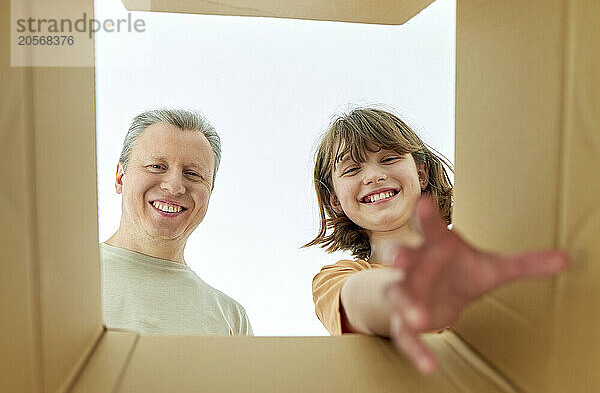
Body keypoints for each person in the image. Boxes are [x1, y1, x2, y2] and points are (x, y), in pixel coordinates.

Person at [305, 108, 567, 373]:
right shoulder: (337, 276)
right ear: (335, 201)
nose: (373, 176)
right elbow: (358, 300)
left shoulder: (479, 251)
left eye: (389, 158)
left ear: (421, 174)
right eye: (351, 169)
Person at [101, 108, 253, 336]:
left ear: (209, 190)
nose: (174, 186)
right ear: (120, 177)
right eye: (156, 166)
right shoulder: (61, 277)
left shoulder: (231, 319)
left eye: (192, 174)